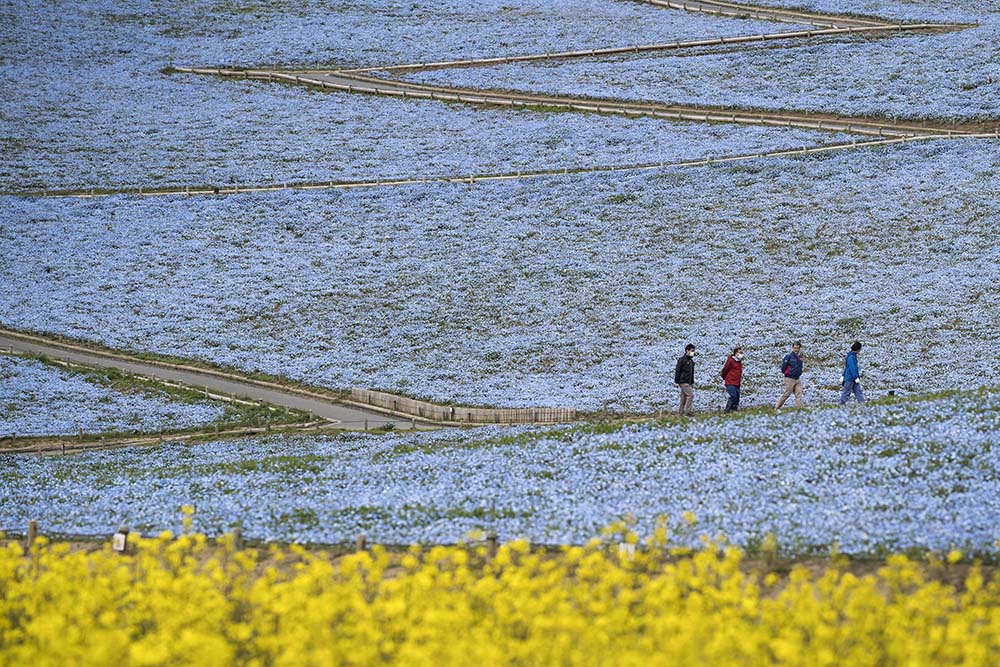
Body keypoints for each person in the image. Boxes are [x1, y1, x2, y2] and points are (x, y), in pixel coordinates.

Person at [775, 341, 804, 409]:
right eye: (795, 348)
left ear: (799, 349)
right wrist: (788, 373)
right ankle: (776, 407)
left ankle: (798, 409)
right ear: (792, 348)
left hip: (797, 378)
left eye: (797, 348)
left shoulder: (800, 357)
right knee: (787, 394)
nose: (796, 350)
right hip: (789, 378)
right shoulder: (788, 357)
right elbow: (783, 368)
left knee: (799, 394)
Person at [674, 343, 696, 416]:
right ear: (687, 350)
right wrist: (676, 381)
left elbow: (692, 373)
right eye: (692, 351)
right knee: (690, 395)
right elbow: (678, 371)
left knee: (683, 398)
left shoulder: (691, 362)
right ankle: (688, 411)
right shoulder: (682, 360)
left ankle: (679, 414)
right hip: (683, 381)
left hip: (688, 382)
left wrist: (692, 382)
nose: (693, 352)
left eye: (693, 351)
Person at [720, 347, 744, 412]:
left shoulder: (739, 362)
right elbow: (725, 369)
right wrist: (724, 377)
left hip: (737, 382)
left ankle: (734, 410)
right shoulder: (731, 361)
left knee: (737, 398)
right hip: (730, 382)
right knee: (733, 396)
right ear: (736, 353)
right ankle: (727, 410)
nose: (742, 354)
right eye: (740, 352)